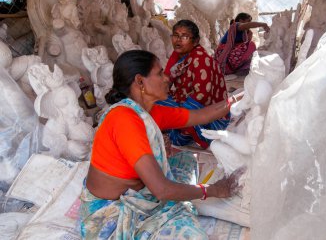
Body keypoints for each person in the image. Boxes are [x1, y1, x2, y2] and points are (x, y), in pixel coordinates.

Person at [80, 50, 244, 239]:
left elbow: (201, 116)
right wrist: (214, 190)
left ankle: (179, 195)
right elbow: (161, 189)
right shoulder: (124, 119)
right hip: (111, 213)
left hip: (138, 191)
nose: (167, 79)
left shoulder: (149, 111)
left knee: (185, 159)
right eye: (160, 73)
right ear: (140, 82)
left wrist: (234, 100)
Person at [158, 19, 230, 149]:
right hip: (187, 102)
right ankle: (177, 126)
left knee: (161, 110)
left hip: (210, 117)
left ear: (196, 41)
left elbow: (202, 98)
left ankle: (183, 130)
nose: (178, 40)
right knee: (152, 101)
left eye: (184, 36)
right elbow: (166, 83)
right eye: (175, 35)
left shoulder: (201, 60)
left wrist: (176, 114)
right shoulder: (178, 56)